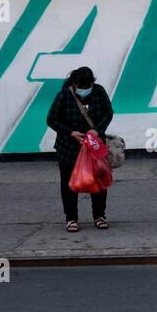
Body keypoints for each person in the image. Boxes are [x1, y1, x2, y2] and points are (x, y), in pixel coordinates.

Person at [46, 67, 113, 231]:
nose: (85, 90)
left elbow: (108, 113)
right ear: (74, 84)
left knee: (98, 180)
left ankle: (99, 216)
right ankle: (71, 219)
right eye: (81, 87)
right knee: (69, 183)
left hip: (94, 145)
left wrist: (97, 130)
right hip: (68, 147)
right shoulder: (64, 95)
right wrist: (71, 133)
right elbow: (51, 120)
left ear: (93, 82)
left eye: (88, 85)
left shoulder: (99, 92)